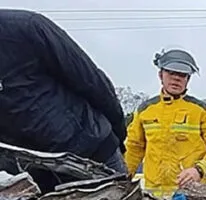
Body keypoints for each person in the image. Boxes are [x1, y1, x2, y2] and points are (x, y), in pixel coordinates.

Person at [0, 9, 127, 177]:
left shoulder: (26, 27)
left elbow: (90, 80)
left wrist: (117, 135)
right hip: (27, 173)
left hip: (90, 153)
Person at [124, 49, 206, 197]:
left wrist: (199, 170)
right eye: (171, 73)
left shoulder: (201, 110)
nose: (176, 78)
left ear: (188, 79)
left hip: (192, 194)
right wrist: (122, 181)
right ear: (161, 75)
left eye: (182, 75)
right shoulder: (145, 110)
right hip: (155, 198)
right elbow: (134, 149)